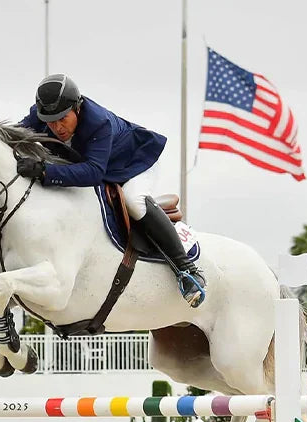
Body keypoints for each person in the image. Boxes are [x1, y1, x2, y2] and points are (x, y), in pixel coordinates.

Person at [15, 73, 206, 307]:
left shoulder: (98, 122)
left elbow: (93, 172)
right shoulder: (43, 116)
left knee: (133, 201)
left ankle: (186, 269)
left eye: (63, 119)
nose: (56, 127)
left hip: (134, 163)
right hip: (101, 168)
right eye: (50, 121)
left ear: (77, 107)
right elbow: (14, 136)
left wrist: (45, 172)